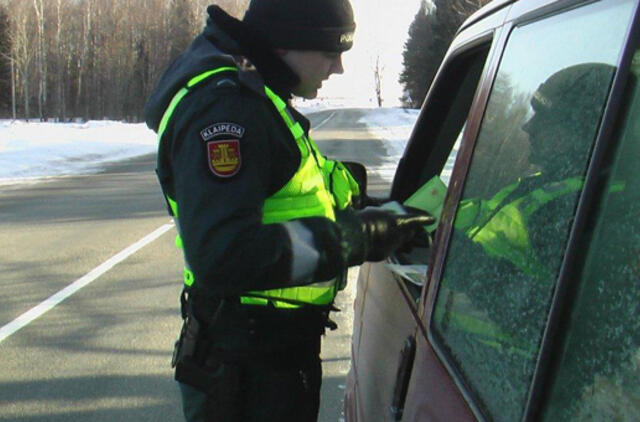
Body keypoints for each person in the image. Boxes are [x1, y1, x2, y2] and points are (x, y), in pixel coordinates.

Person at [143, 1, 432, 421]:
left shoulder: (260, 97)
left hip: (268, 356)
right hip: (245, 368)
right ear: (285, 44)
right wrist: (359, 237)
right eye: (331, 52)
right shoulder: (227, 107)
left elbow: (292, 199)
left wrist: (379, 217)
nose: (337, 68)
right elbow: (223, 254)